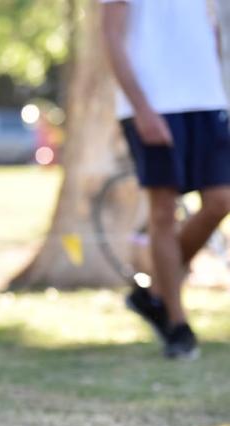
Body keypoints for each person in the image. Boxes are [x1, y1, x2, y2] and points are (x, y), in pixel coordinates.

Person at [101, 0, 230, 359]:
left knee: (221, 201)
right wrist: (142, 108)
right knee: (163, 212)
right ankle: (176, 323)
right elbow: (110, 35)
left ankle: (156, 292)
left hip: (206, 100)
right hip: (154, 103)